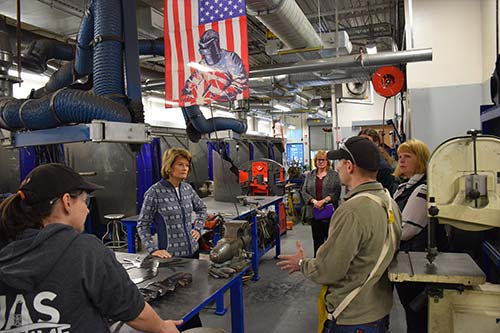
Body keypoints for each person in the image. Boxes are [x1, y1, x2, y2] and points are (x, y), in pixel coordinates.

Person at [0, 163, 182, 333]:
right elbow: (134, 311)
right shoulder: (84, 251)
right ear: (67, 202)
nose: (87, 210)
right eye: (85, 202)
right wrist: (162, 327)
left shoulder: (7, 249)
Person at [278, 136, 402, 333]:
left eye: (340, 163)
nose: (339, 168)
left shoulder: (352, 210)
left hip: (352, 316)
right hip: (378, 307)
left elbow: (329, 269)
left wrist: (302, 264)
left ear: (350, 166)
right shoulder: (388, 201)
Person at [137, 148, 207, 330]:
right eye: (180, 164)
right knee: (176, 301)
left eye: (187, 165)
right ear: (169, 167)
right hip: (171, 258)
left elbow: (202, 209)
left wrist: (198, 229)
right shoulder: (154, 193)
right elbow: (142, 225)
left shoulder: (187, 189)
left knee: (193, 295)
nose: (185, 168)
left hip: (192, 252)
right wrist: (153, 249)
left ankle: (193, 327)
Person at [392, 139, 446, 333]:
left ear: (421, 159)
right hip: (408, 260)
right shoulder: (405, 187)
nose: (401, 161)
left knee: (417, 319)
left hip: (415, 262)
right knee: (412, 314)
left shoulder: (422, 189)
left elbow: (406, 230)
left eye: (408, 156)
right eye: (399, 157)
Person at [181, 29, 248, 105]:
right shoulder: (203, 63)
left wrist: (224, 94)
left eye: (209, 53)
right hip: (212, 100)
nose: (208, 58)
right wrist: (186, 91)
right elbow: (194, 78)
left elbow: (240, 81)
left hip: (229, 101)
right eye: (205, 54)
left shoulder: (230, 58)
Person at [301, 150, 341, 256]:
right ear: (315, 161)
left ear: (327, 162)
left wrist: (323, 201)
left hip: (329, 213)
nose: (321, 162)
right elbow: (304, 191)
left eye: (323, 160)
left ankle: (330, 265)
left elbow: (336, 192)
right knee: (317, 242)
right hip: (315, 214)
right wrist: (314, 201)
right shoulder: (310, 175)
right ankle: (317, 265)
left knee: (330, 242)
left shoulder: (334, 175)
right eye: (319, 160)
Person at [358, 128, 397, 194]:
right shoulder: (360, 162)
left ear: (376, 143)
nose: (363, 145)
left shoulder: (381, 166)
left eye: (367, 141)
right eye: (360, 141)